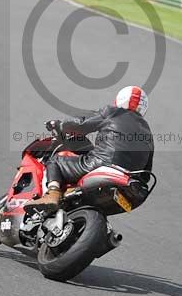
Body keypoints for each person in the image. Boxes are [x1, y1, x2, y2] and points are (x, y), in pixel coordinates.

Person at [24, 86, 154, 214]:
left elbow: (82, 124)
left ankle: (52, 194)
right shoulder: (148, 133)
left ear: (120, 99)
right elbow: (146, 175)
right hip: (132, 182)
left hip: (103, 163)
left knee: (55, 161)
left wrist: (60, 125)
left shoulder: (113, 112)